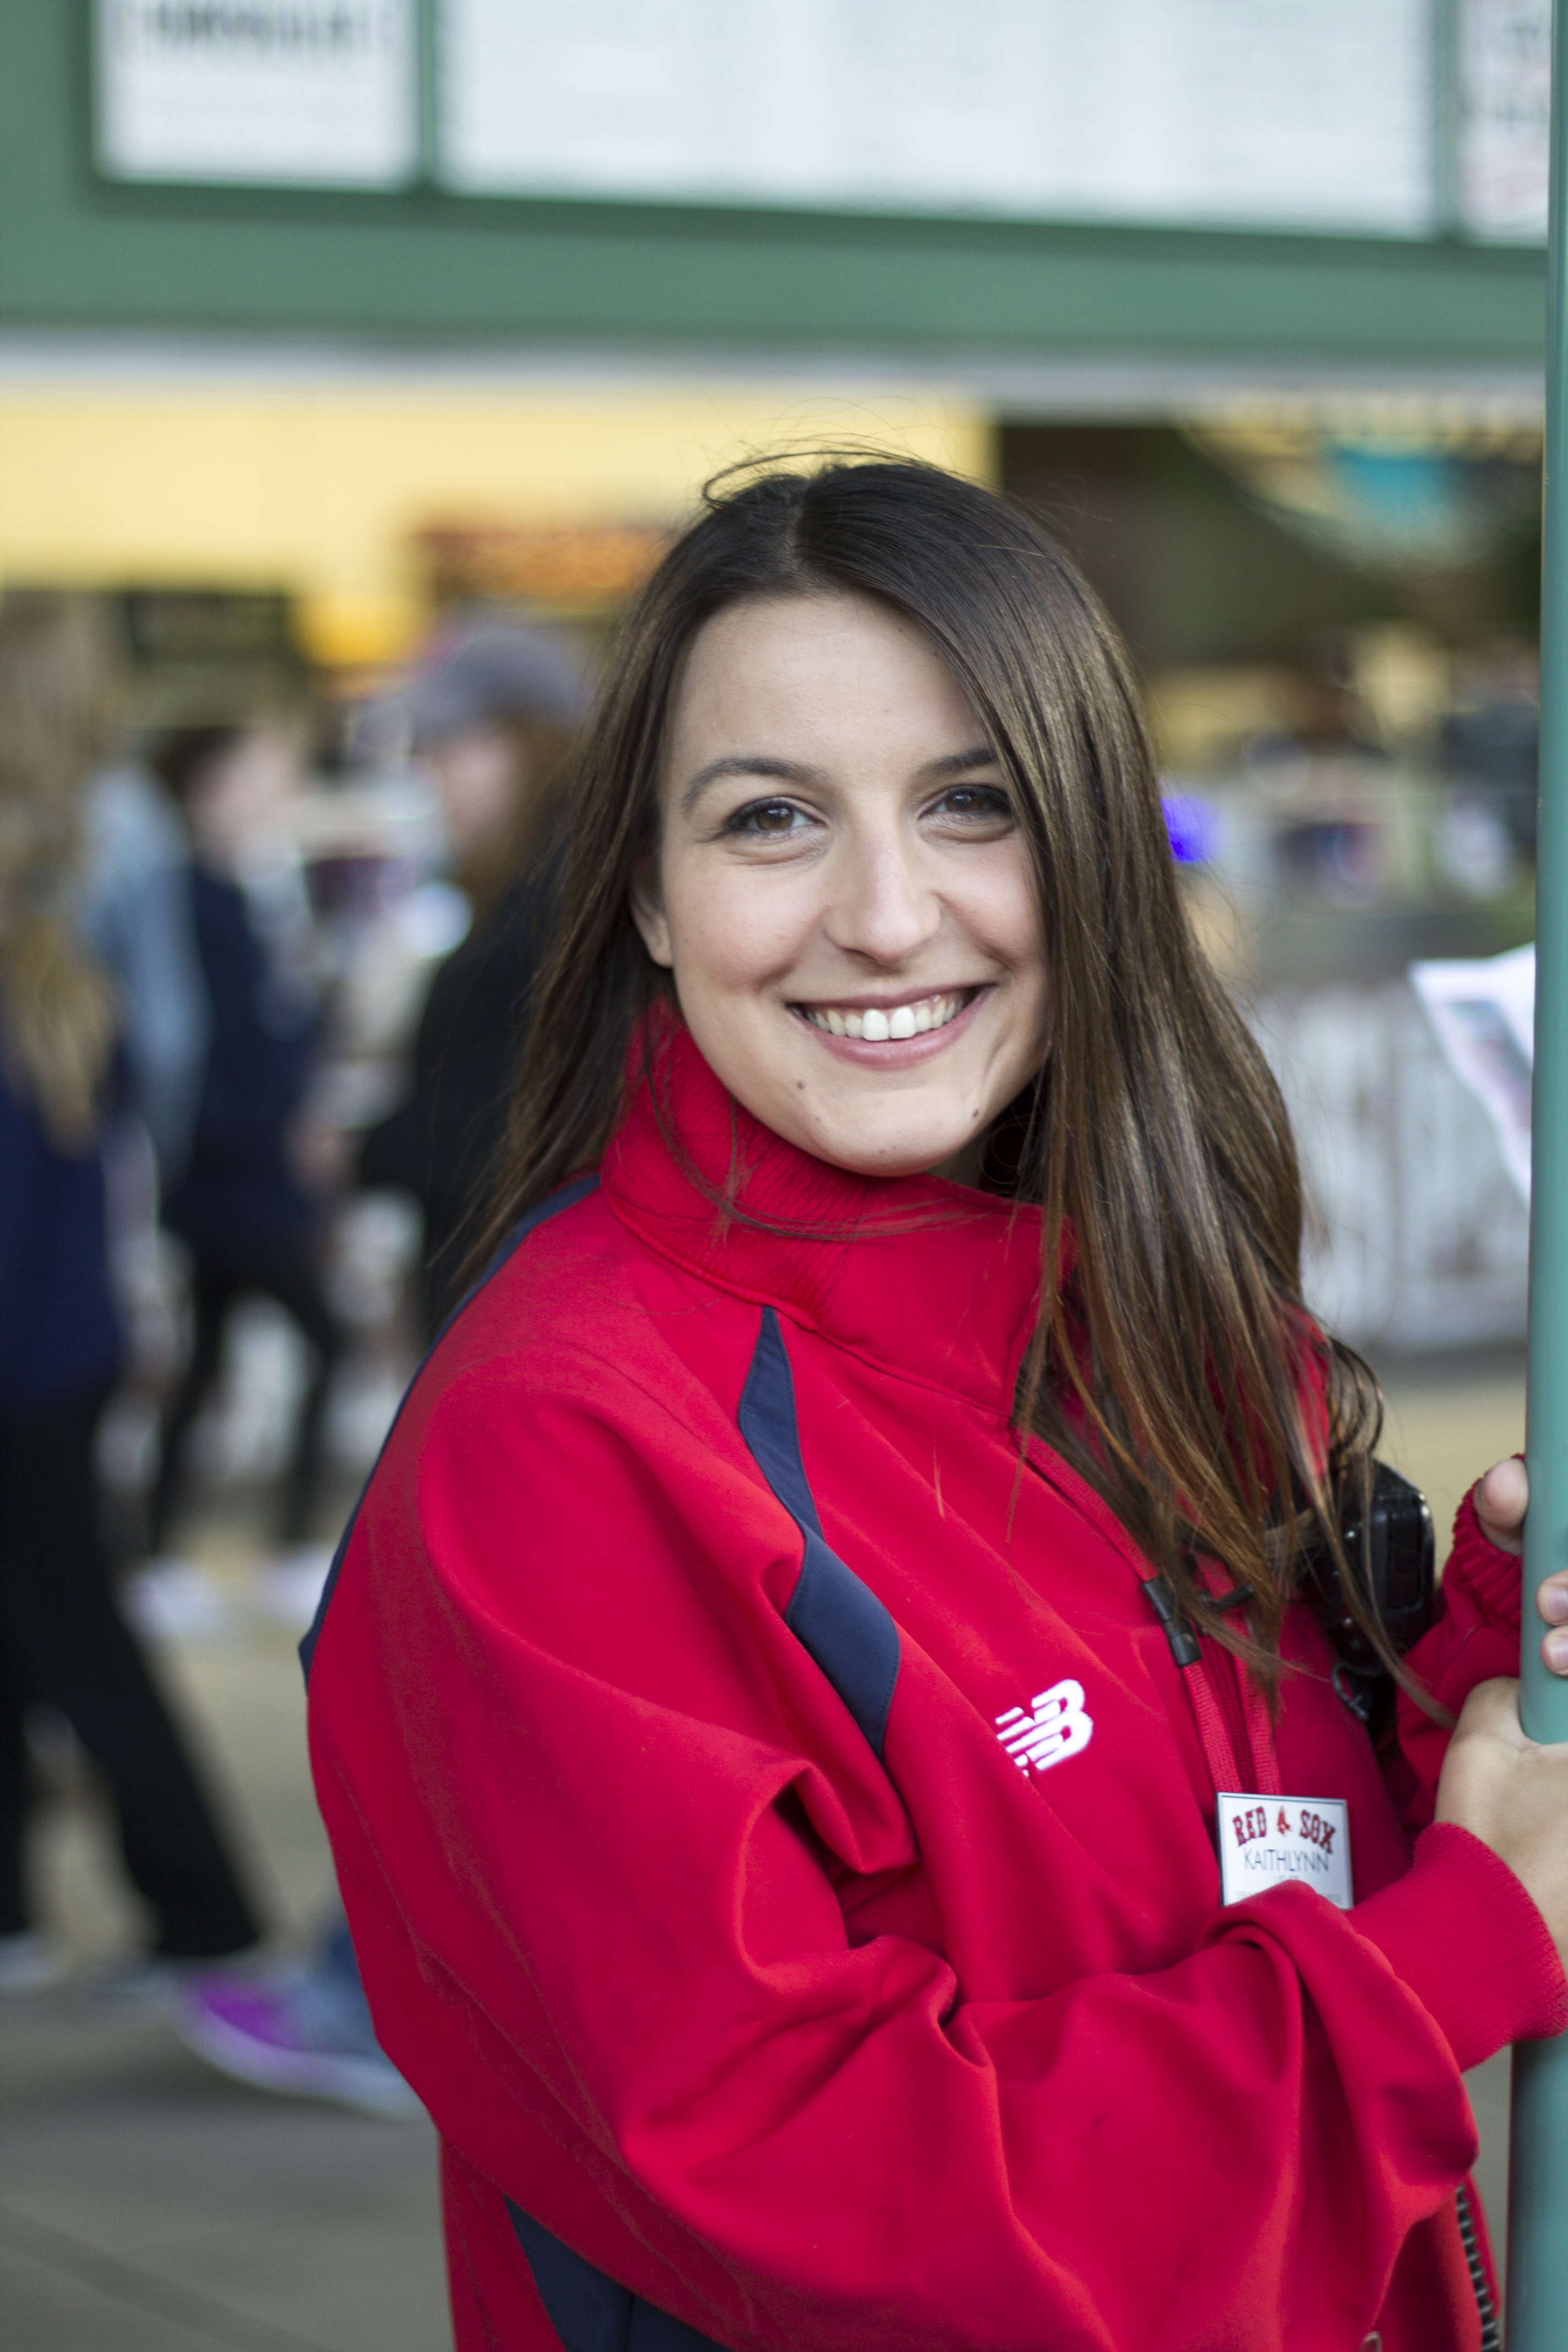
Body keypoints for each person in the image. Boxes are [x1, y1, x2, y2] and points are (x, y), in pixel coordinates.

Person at [304, 462, 1568, 2350]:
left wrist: (1479, 1676)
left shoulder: (1158, 1322)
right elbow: (857, 2201)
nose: (886, 917)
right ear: (644, 896)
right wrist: (1455, 1951)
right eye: (770, 820)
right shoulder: (563, 1448)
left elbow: (1219, 1866)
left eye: (969, 804)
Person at [0, 596, 262, 1994]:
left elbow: (153, 1076)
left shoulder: (87, 899)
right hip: (70, 1310)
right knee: (40, 1609)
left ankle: (201, 1908)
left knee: (69, 1616)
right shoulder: (95, 894)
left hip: (44, 1335)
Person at [143, 721, 345, 1571]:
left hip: (223, 1180)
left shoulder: (237, 895)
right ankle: (291, 1542)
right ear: (211, 789)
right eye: (264, 772)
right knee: (325, 1343)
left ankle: (152, 1551)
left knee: (205, 1362)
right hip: (239, 1183)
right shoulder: (192, 904)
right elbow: (222, 1060)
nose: (281, 789)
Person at [356, 620, 589, 1332]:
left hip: (513, 1292)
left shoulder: (561, 900)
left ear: (529, 740)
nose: (433, 774)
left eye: (452, 747)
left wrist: (367, 1148)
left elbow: (507, 1123)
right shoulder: (537, 881)